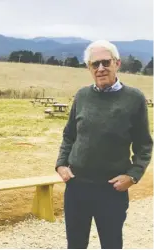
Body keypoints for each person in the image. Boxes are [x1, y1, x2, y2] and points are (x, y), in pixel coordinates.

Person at [55, 39, 153, 249]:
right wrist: (61, 164)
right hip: (76, 186)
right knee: (75, 244)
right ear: (89, 68)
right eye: (94, 64)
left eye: (105, 63)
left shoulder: (134, 98)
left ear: (117, 63)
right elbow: (69, 134)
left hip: (111, 189)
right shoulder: (82, 95)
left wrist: (133, 175)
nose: (100, 68)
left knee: (111, 244)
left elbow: (144, 145)